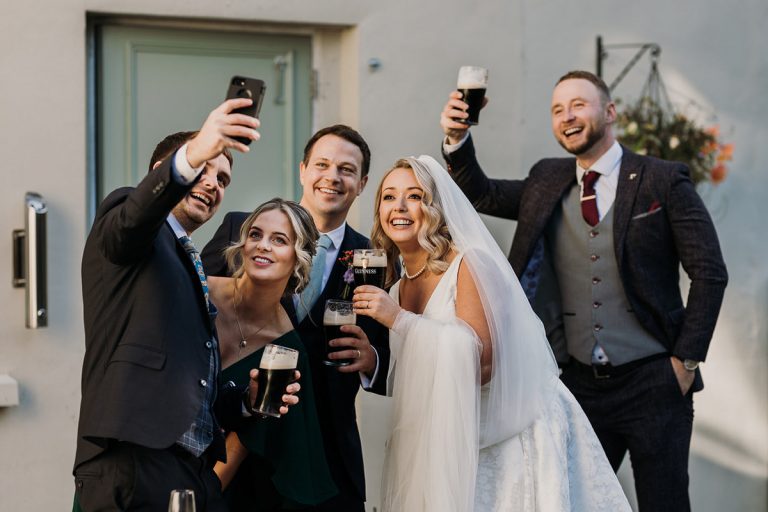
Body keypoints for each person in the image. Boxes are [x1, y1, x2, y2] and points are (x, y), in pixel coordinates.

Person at [439, 70, 728, 511]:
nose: (566, 117)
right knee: (573, 500)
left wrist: (685, 362)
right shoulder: (546, 180)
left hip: (655, 381)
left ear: (609, 112)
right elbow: (483, 194)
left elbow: (709, 272)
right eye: (557, 110)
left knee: (664, 504)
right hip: (577, 385)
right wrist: (456, 140)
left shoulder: (662, 180)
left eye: (578, 105)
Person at [352, 156, 631, 511]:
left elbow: (482, 365)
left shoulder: (470, 263)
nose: (400, 207)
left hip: (512, 438)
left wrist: (400, 321)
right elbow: (427, 375)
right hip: (454, 441)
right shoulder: (397, 286)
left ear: (435, 207)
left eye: (415, 196)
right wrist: (373, 359)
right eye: (389, 197)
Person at [73, 99, 300, 512]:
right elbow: (131, 223)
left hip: (193, 471)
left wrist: (244, 402)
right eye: (205, 169)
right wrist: (195, 151)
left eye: (224, 179)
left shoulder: (188, 257)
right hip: (133, 461)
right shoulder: (130, 223)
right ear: (164, 170)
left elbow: (190, 385)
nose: (214, 183)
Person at [201, 125, 389, 511]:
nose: (332, 177)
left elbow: (390, 353)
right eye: (322, 164)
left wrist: (373, 361)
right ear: (303, 170)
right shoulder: (245, 228)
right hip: (236, 450)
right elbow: (192, 310)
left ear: (362, 182)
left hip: (325, 457)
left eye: (346, 169)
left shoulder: (372, 256)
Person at [207, 198, 338, 510]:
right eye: (255, 235)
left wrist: (198, 497)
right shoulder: (200, 295)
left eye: (279, 240)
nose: (262, 246)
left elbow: (243, 441)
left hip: (215, 487)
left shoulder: (287, 352)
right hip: (149, 459)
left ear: (299, 258)